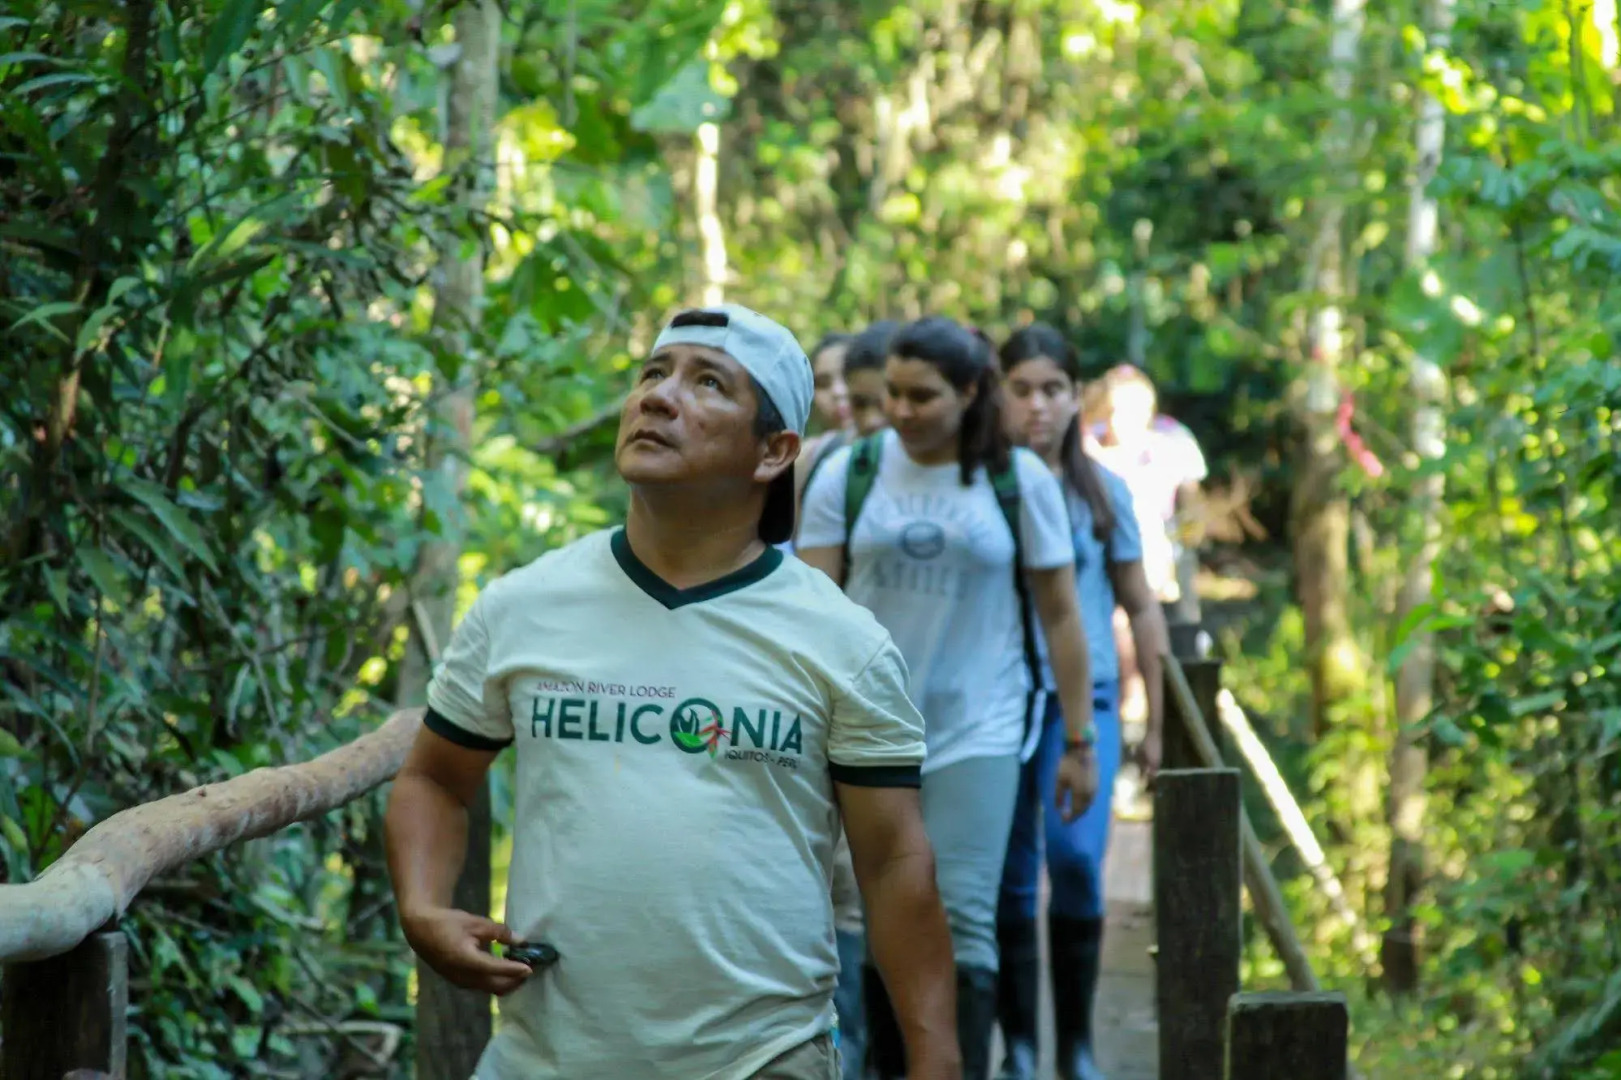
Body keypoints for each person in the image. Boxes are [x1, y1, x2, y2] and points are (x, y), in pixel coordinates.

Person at [384, 304, 963, 1080]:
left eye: (708, 383)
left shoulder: (841, 640)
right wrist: (421, 910)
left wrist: (936, 1060)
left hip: (762, 1059)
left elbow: (894, 862)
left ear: (773, 451)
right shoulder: (523, 606)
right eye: (652, 374)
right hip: (541, 1060)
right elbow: (433, 779)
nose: (658, 397)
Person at [796, 316, 1099, 1080]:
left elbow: (1061, 614)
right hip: (866, 732)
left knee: (963, 916)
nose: (900, 410)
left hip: (980, 729)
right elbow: (810, 607)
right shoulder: (850, 472)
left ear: (968, 393)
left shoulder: (1018, 481)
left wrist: (1077, 740)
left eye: (921, 395)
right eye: (891, 393)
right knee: (869, 914)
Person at [995, 325, 1171, 1080]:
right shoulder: (981, 490)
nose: (1037, 406)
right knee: (1004, 876)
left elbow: (1140, 603)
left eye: (1052, 390)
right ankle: (1021, 1049)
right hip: (998, 703)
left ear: (1076, 398)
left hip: (1085, 706)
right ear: (997, 395)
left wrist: (1156, 722)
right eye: (1021, 389)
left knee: (1073, 861)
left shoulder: (1104, 493)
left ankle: (1076, 1044)